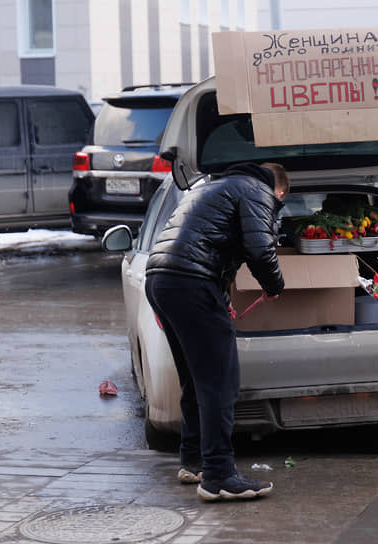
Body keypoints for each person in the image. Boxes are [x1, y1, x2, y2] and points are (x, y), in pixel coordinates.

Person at [144, 162, 289, 501]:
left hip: (162, 279)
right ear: (279, 191)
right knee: (220, 382)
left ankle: (193, 460)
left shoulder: (212, 187)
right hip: (190, 282)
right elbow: (260, 247)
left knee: (196, 379)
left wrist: (220, 300)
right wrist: (274, 285)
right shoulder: (259, 192)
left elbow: (208, 244)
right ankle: (219, 476)